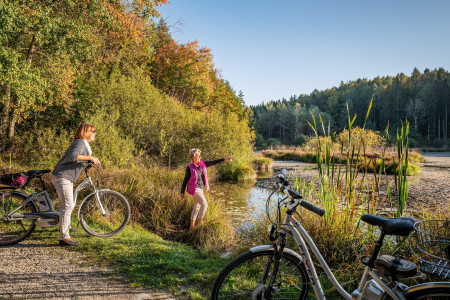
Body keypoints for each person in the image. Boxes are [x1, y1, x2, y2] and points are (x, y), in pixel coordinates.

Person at [51, 123, 101, 246]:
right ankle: (64, 238)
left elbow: (77, 159)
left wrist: (90, 160)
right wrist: (91, 158)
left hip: (66, 176)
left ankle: (67, 226)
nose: (94, 133)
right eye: (92, 131)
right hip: (62, 176)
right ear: (85, 132)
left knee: (69, 204)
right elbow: (74, 157)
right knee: (67, 205)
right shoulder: (80, 142)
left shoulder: (83, 144)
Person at [180, 149, 232, 230]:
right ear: (193, 157)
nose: (200, 156)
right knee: (204, 204)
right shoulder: (189, 167)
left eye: (200, 155)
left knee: (196, 206)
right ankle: (201, 222)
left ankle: (191, 226)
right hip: (195, 189)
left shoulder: (203, 164)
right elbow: (185, 180)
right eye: (198, 155)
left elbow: (214, 162)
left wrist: (224, 159)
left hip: (201, 188)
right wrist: (182, 192)